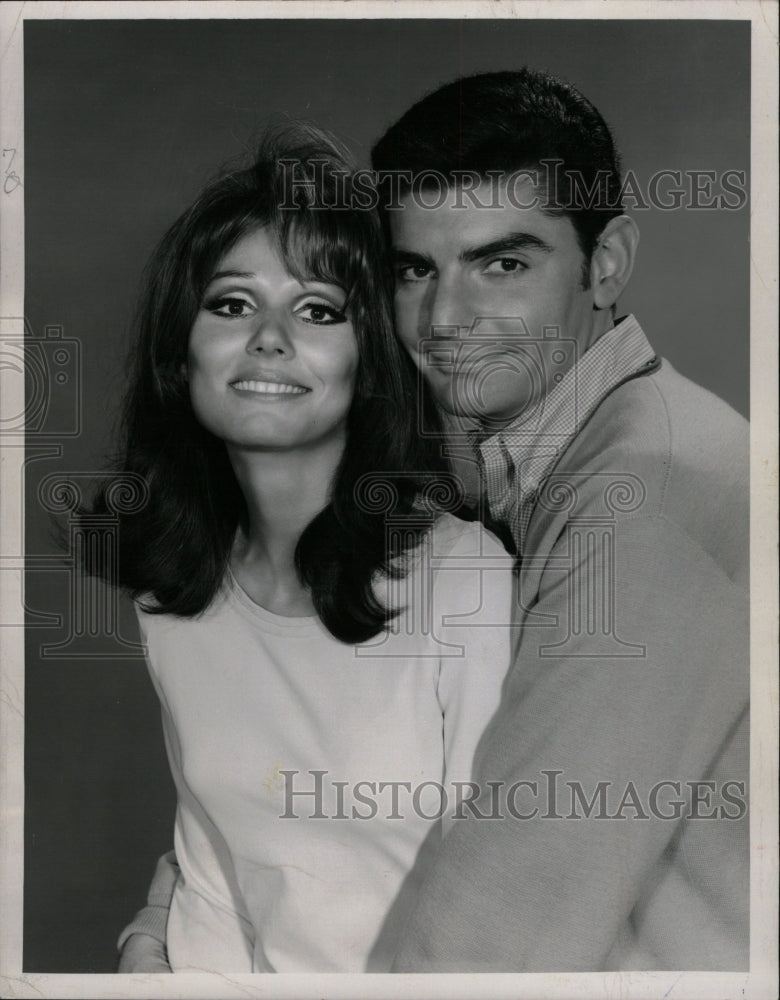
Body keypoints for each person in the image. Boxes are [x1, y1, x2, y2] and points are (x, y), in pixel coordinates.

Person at [123, 68, 749, 972]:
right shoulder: (513, 462)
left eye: (504, 262)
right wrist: (164, 925)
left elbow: (505, 919)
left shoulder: (646, 493)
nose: (448, 318)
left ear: (606, 264)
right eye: (415, 270)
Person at [93, 126, 515, 973]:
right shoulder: (174, 595)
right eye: (231, 302)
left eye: (319, 310)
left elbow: (509, 901)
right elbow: (215, 873)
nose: (269, 337)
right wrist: (150, 951)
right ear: (184, 349)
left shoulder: (464, 580)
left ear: (370, 362)